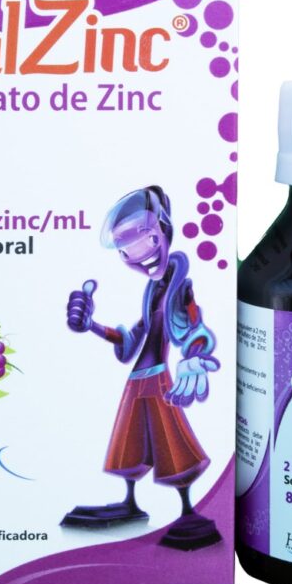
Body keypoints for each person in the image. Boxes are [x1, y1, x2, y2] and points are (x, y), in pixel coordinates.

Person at [61, 185, 222, 550]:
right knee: (129, 441)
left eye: (146, 240)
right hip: (138, 378)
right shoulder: (153, 291)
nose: (140, 255)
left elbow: (193, 324)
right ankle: (130, 503)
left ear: (164, 230)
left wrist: (195, 355)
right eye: (126, 249)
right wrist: (91, 325)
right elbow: (133, 336)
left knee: (172, 440)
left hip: (159, 378)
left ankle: (188, 511)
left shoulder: (180, 286)